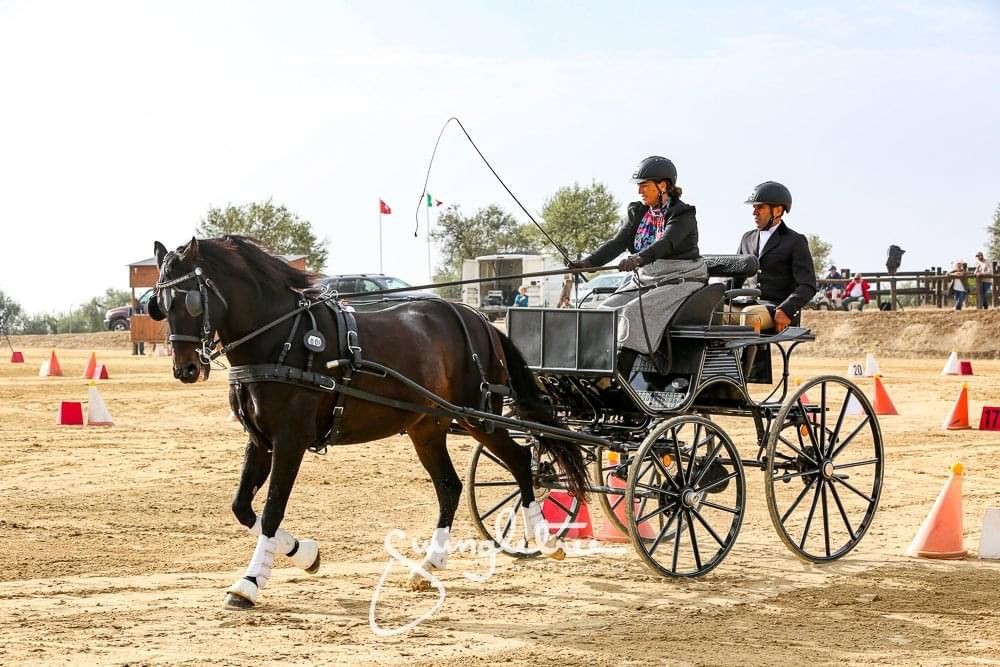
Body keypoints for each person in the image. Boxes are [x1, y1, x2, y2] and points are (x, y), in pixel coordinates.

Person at [567, 155, 706, 359]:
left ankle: (620, 374)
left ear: (663, 186)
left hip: (680, 279)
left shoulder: (682, 214)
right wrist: (588, 263)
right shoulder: (639, 213)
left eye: (644, 185)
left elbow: (665, 243)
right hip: (646, 277)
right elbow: (618, 243)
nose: (639, 191)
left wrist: (638, 259)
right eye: (639, 186)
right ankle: (594, 368)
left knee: (633, 313)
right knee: (604, 311)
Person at [732, 181, 817, 332]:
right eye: (754, 207)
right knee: (714, 314)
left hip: (777, 308)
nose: (754, 212)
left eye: (760, 207)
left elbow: (808, 285)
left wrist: (786, 309)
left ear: (777, 210)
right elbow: (735, 279)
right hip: (749, 304)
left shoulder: (795, 241)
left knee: (749, 316)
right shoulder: (747, 238)